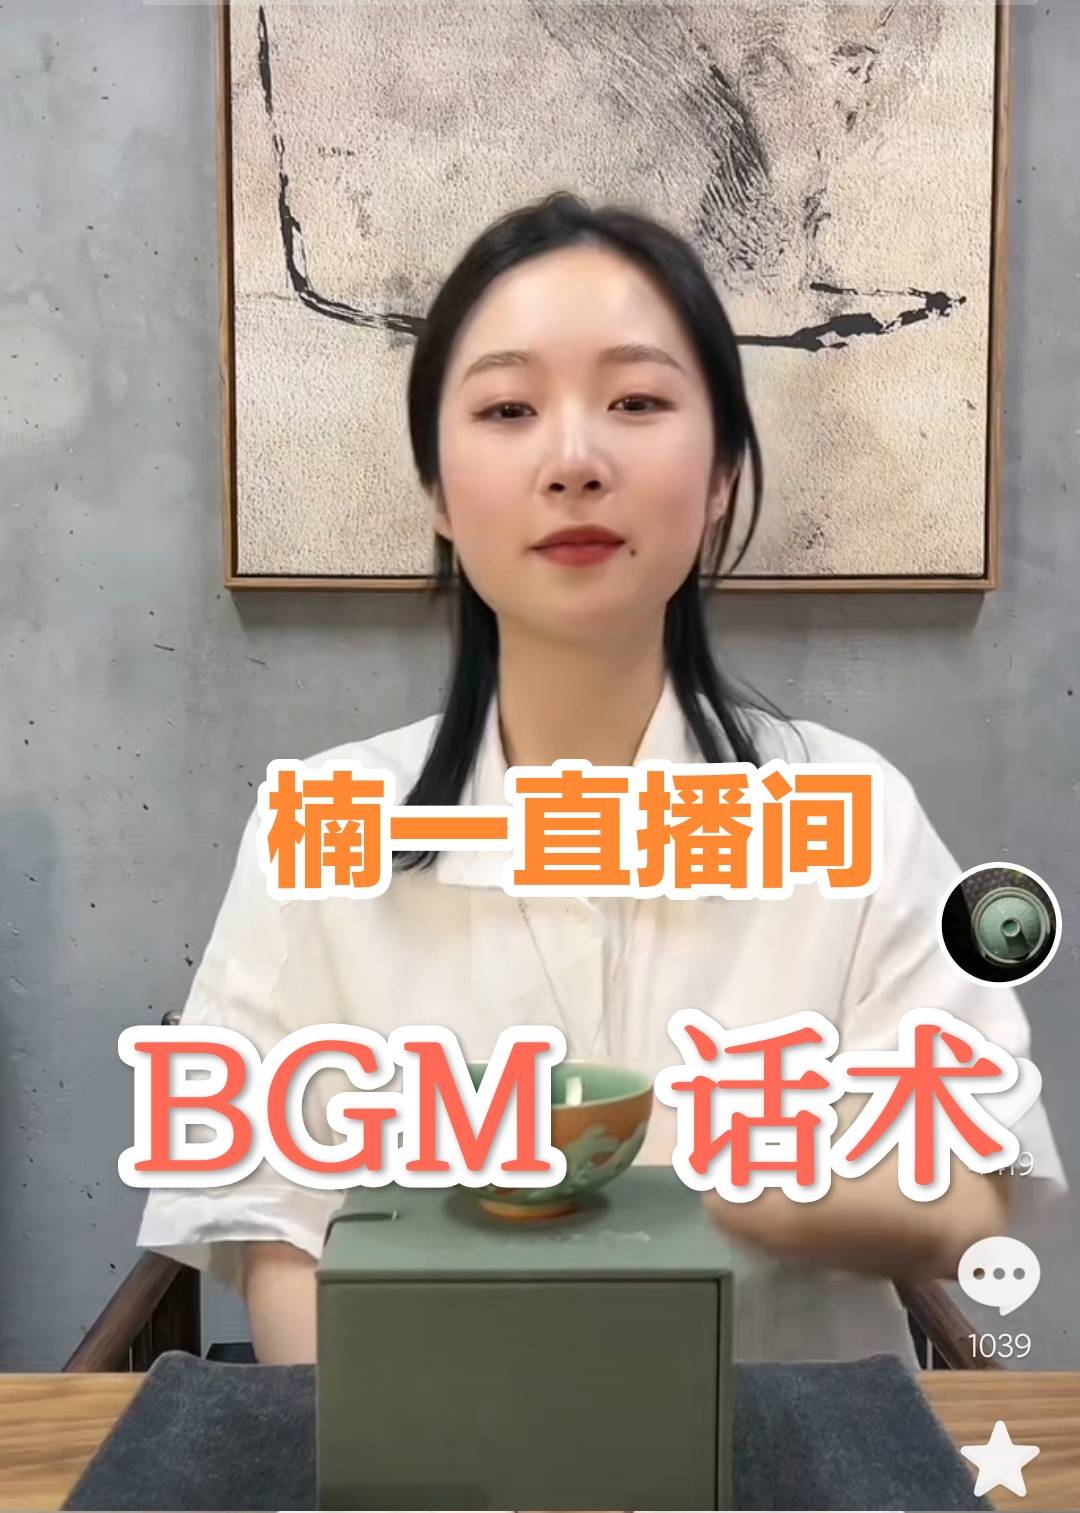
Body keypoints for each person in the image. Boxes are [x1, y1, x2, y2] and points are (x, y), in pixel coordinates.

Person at [137, 191, 1066, 1367]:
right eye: (508, 409)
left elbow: (978, 1183)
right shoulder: (323, 825)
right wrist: (393, 1443)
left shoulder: (852, 811)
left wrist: (723, 1186)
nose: (575, 461)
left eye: (636, 402)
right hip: (430, 1450)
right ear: (438, 489)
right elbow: (277, 1229)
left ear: (721, 472)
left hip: (787, 1447)